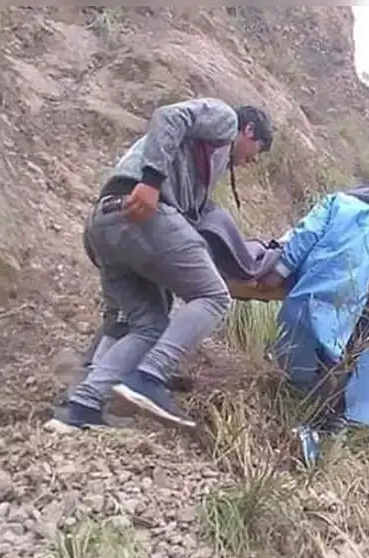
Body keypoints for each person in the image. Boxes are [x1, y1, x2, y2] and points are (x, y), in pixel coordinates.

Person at [46, 98, 272, 432]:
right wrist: (151, 182)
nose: (252, 160)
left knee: (148, 323)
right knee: (215, 297)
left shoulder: (207, 161)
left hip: (104, 222)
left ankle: (83, 405)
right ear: (249, 130)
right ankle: (150, 376)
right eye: (258, 149)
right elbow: (169, 116)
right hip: (142, 212)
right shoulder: (225, 120)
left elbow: (191, 219)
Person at [258, 181, 369, 436]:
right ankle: (326, 418)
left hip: (324, 280)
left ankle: (298, 405)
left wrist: (279, 270)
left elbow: (305, 236)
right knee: (345, 355)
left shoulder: (338, 202)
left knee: (305, 340)